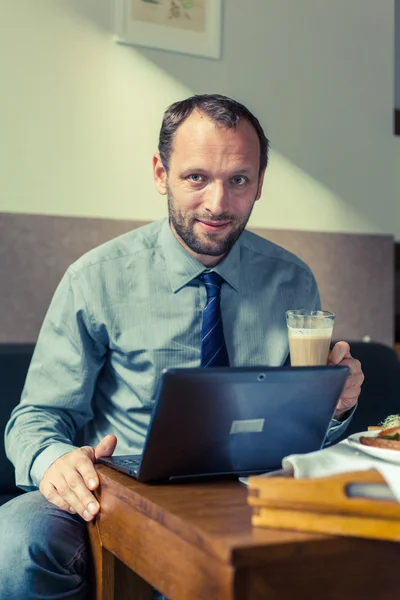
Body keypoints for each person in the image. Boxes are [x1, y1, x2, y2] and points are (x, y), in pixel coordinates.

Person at [0, 94, 364, 600]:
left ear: (260, 183)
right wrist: (55, 461)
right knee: (16, 541)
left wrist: (335, 407)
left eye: (239, 179)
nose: (218, 203)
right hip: (116, 488)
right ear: (160, 173)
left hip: (246, 491)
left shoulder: (293, 281)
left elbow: (299, 440)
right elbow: (35, 417)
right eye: (196, 177)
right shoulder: (95, 278)